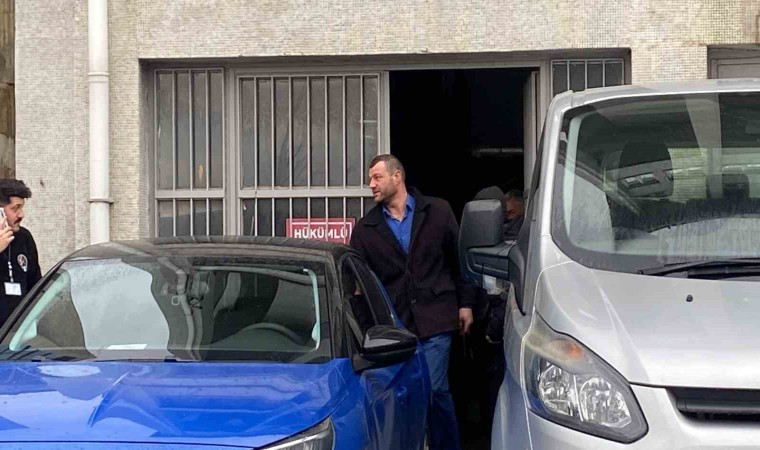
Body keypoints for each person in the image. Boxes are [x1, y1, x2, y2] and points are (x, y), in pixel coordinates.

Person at [350, 154, 475, 450]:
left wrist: (466, 303)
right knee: (400, 396)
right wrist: (368, 330)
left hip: (437, 318)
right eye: (370, 179)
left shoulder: (438, 211)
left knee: (434, 389)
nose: (371, 185)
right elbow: (358, 288)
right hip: (394, 329)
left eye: (377, 177)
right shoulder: (365, 229)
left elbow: (459, 261)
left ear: (397, 177)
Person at [0, 179, 41, 327]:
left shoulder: (24, 238)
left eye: (21, 208)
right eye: (15, 209)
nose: (21, 214)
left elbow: (35, 284)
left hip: (19, 331)